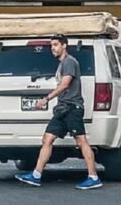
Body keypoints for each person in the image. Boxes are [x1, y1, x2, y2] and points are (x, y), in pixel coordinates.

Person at [15, 34, 102, 190]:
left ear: (64, 46)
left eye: (55, 45)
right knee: (47, 140)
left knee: (81, 142)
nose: (52, 48)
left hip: (72, 108)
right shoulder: (62, 64)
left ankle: (93, 177)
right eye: (52, 45)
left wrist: (46, 98)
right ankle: (36, 175)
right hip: (62, 109)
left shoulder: (69, 62)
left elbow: (65, 84)